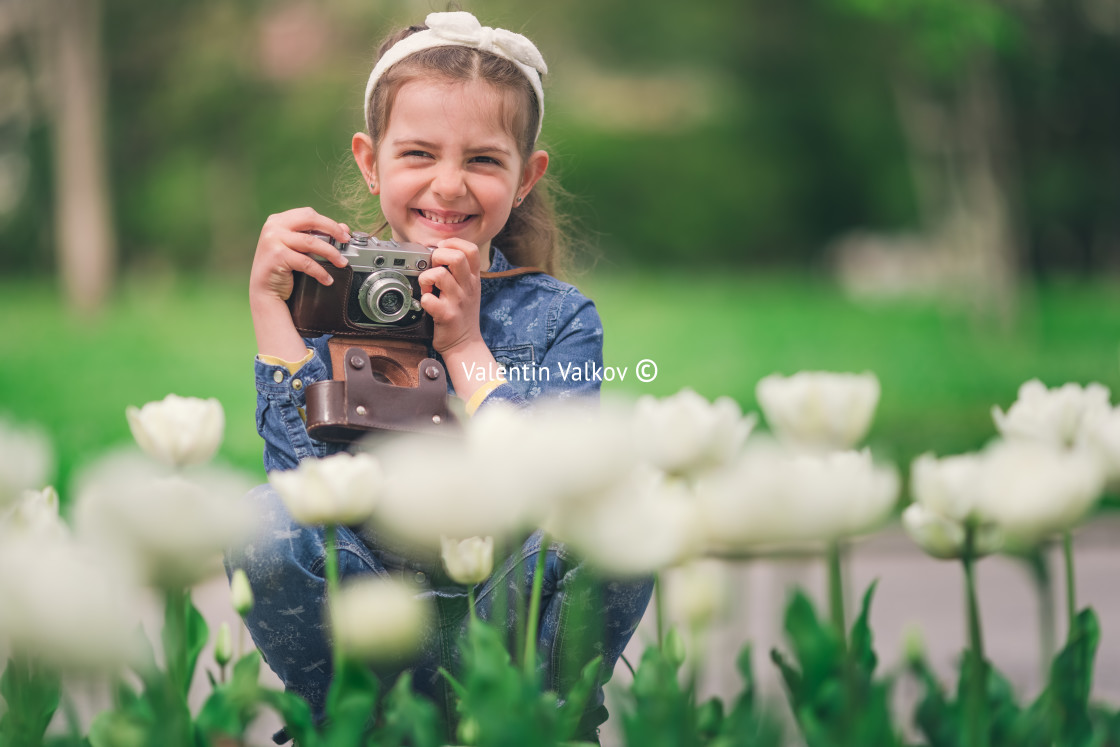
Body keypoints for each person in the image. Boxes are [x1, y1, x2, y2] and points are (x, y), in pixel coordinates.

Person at [228, 11, 653, 744]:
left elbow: (556, 485)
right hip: (367, 605)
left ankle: (537, 721)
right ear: (371, 161)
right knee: (262, 522)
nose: (449, 185)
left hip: (509, 606)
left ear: (527, 177)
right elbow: (303, 486)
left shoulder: (561, 317)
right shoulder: (326, 291)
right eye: (419, 153)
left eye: (484, 160)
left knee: (625, 518)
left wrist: (465, 344)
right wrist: (272, 310)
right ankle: (357, 721)